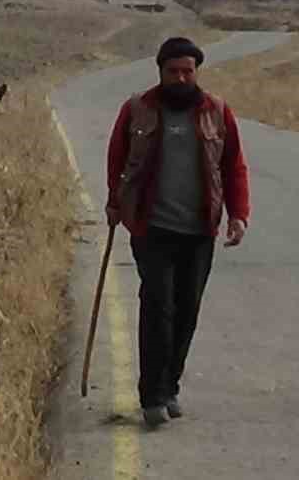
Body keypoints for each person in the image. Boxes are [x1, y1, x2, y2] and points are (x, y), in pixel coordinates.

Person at [105, 36, 250, 429]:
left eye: (188, 71)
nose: (181, 78)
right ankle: (150, 395)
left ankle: (170, 386)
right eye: (174, 71)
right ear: (161, 72)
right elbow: (117, 157)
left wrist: (239, 215)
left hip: (200, 229)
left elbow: (234, 166)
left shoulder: (217, 111)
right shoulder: (138, 109)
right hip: (150, 227)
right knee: (158, 308)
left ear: (197, 72)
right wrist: (114, 201)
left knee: (187, 310)